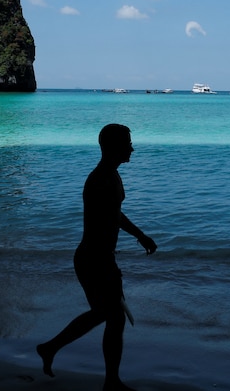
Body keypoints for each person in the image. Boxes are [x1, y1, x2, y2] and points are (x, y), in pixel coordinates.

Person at [37, 123, 157, 391]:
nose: (132, 148)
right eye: (127, 143)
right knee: (112, 316)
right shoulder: (101, 178)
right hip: (94, 259)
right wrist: (139, 237)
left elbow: (115, 215)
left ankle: (51, 348)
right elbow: (111, 218)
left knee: (107, 314)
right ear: (113, 147)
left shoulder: (112, 175)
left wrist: (139, 236)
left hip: (98, 257)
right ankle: (109, 381)